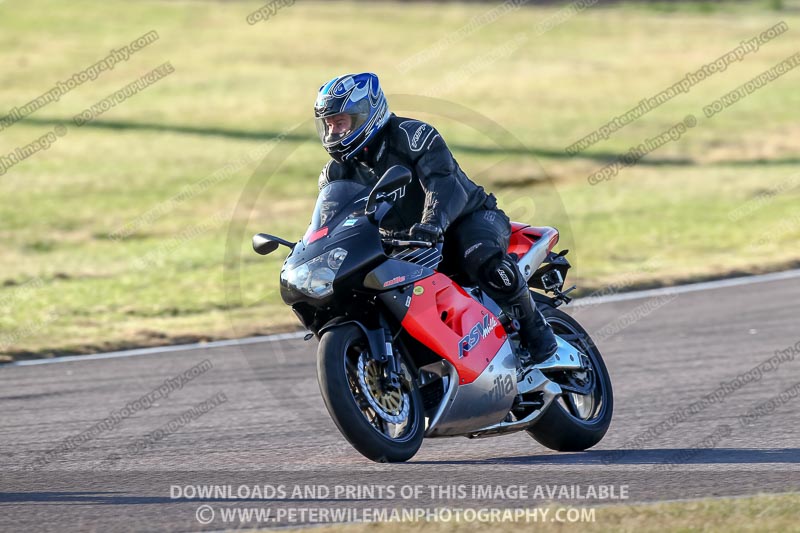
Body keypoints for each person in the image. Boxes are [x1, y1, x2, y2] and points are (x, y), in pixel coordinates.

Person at [314, 72, 558, 364]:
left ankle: (538, 333)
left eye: (341, 122)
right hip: (403, 244)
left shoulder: (413, 136)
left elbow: (443, 182)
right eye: (329, 125)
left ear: (366, 113)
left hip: (465, 220)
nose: (334, 133)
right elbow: (332, 219)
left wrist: (432, 223)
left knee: (480, 257)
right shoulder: (334, 173)